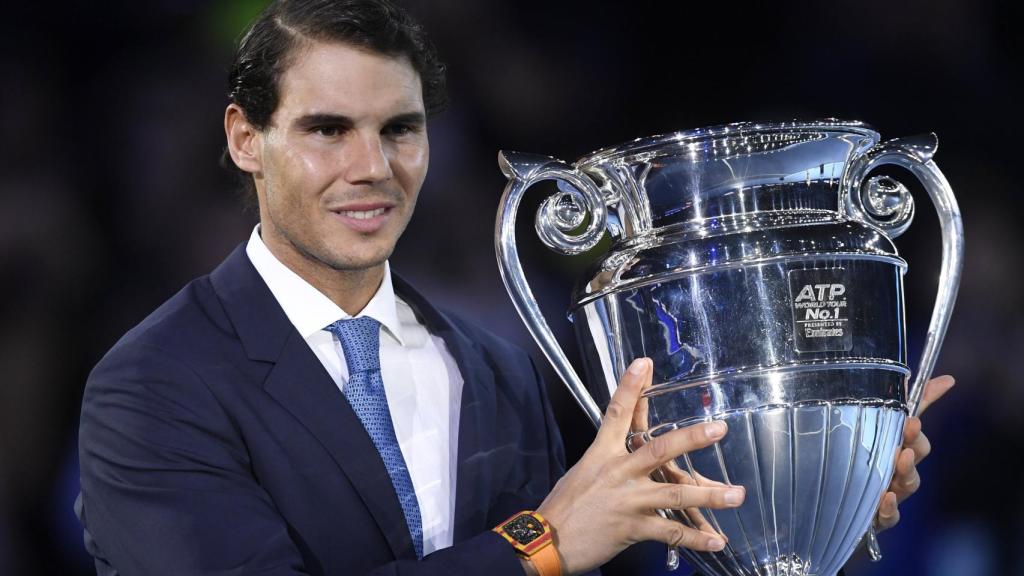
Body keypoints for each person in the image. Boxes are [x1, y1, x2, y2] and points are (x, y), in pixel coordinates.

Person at [75, 1, 952, 575]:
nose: (371, 168)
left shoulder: (493, 371)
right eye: (327, 129)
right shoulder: (152, 386)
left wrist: (796, 495)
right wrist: (544, 543)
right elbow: (552, 550)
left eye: (400, 130)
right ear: (243, 138)